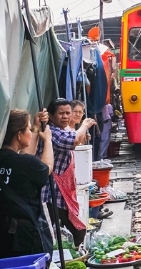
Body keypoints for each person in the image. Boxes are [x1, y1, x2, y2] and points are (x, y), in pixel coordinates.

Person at [33, 98, 96, 247]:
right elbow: (72, 141)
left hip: (60, 190)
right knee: (70, 228)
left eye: (68, 113)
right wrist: (84, 126)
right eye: (61, 113)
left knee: (56, 227)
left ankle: (69, 252)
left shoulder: (62, 130)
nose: (66, 116)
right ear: (52, 116)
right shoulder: (52, 132)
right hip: (52, 190)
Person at [0, 109, 54, 259]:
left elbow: (27, 158)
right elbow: (47, 168)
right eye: (29, 129)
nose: (31, 132)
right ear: (19, 135)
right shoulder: (26, 164)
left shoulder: (18, 161)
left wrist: (36, 128)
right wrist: (48, 140)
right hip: (22, 237)